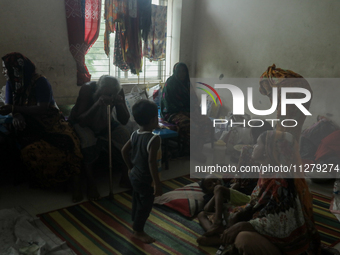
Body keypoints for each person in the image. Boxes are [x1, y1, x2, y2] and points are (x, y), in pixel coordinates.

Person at [199, 130, 321, 254]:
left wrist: (243, 225)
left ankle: (223, 239)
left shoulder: (282, 182)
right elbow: (257, 202)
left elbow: (280, 224)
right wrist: (240, 217)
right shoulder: (267, 172)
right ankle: (225, 238)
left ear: (267, 150)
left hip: (285, 246)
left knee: (243, 238)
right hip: (261, 221)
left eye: (258, 144)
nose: (253, 147)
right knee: (229, 218)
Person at [0, 52, 83, 202]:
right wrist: (17, 115)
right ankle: (49, 181)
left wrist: (15, 110)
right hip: (28, 123)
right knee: (30, 150)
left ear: (18, 69)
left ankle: (76, 181)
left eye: (6, 69)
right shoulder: (11, 84)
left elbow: (42, 109)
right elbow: (9, 106)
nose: (4, 72)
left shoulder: (40, 82)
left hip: (50, 121)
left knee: (69, 139)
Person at [69, 75, 130, 201]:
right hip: (84, 120)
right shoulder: (87, 89)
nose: (110, 96)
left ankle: (125, 177)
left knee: (126, 136)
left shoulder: (119, 90)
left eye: (112, 94)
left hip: (106, 119)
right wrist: (97, 104)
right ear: (98, 89)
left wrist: (119, 104)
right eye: (106, 93)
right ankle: (91, 183)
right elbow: (81, 121)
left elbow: (124, 120)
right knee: (88, 141)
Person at [121, 99, 162, 243]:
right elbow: (151, 162)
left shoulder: (134, 134)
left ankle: (135, 220)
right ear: (153, 120)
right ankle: (138, 230)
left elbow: (124, 151)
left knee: (137, 199)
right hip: (145, 179)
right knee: (146, 205)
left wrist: (130, 168)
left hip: (134, 176)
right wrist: (156, 183)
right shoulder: (154, 139)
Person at [160, 62, 212, 160]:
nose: (182, 74)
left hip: (188, 111)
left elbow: (194, 100)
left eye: (184, 71)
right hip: (173, 112)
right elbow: (168, 103)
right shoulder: (170, 83)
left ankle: (197, 150)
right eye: (179, 71)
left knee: (206, 122)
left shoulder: (187, 83)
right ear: (175, 72)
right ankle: (188, 150)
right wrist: (184, 110)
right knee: (192, 126)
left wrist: (195, 110)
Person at [259, 64, 312, 142]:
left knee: (283, 125)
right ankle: (293, 146)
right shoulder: (279, 74)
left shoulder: (263, 80)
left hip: (289, 91)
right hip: (305, 89)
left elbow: (274, 99)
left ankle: (282, 147)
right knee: (296, 123)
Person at [197, 175, 252, 242]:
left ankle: (220, 238)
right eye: (210, 185)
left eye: (215, 181)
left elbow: (242, 193)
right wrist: (216, 194)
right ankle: (219, 234)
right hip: (224, 217)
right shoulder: (209, 196)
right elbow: (207, 209)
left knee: (219, 188)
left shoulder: (227, 186)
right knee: (201, 214)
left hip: (237, 210)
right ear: (207, 191)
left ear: (219, 180)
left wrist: (224, 189)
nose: (214, 184)